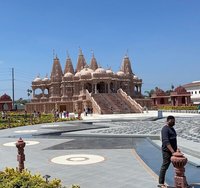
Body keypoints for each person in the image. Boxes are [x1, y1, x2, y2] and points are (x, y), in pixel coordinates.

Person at [158, 115, 177, 188]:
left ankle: (181, 182)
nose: (174, 123)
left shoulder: (172, 128)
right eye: (172, 121)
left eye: (174, 121)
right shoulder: (165, 129)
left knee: (178, 166)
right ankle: (161, 183)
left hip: (174, 151)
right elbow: (166, 141)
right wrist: (172, 151)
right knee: (165, 166)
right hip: (167, 152)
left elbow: (174, 139)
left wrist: (176, 149)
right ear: (168, 121)